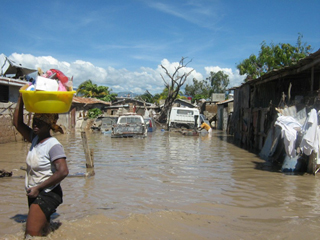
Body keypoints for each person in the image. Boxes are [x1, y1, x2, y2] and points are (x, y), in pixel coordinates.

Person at [13, 94, 69, 238]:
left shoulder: (53, 145)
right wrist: (20, 99)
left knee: (31, 234)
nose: (35, 125)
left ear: (48, 125)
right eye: (34, 122)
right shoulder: (35, 139)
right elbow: (17, 124)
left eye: (40, 123)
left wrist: (38, 188)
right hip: (35, 191)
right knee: (42, 232)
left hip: (47, 193)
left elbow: (63, 171)